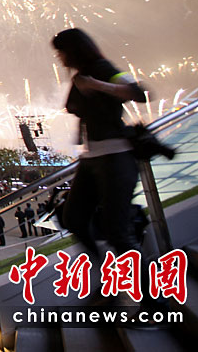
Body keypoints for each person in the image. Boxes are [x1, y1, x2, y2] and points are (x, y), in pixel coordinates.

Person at [53, 27, 159, 308]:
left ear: (74, 50)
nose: (60, 58)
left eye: (61, 52)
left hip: (116, 157)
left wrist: (98, 86)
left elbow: (140, 92)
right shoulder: (80, 76)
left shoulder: (102, 69)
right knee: (73, 218)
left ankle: (153, 302)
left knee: (117, 231)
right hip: (92, 158)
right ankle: (107, 279)